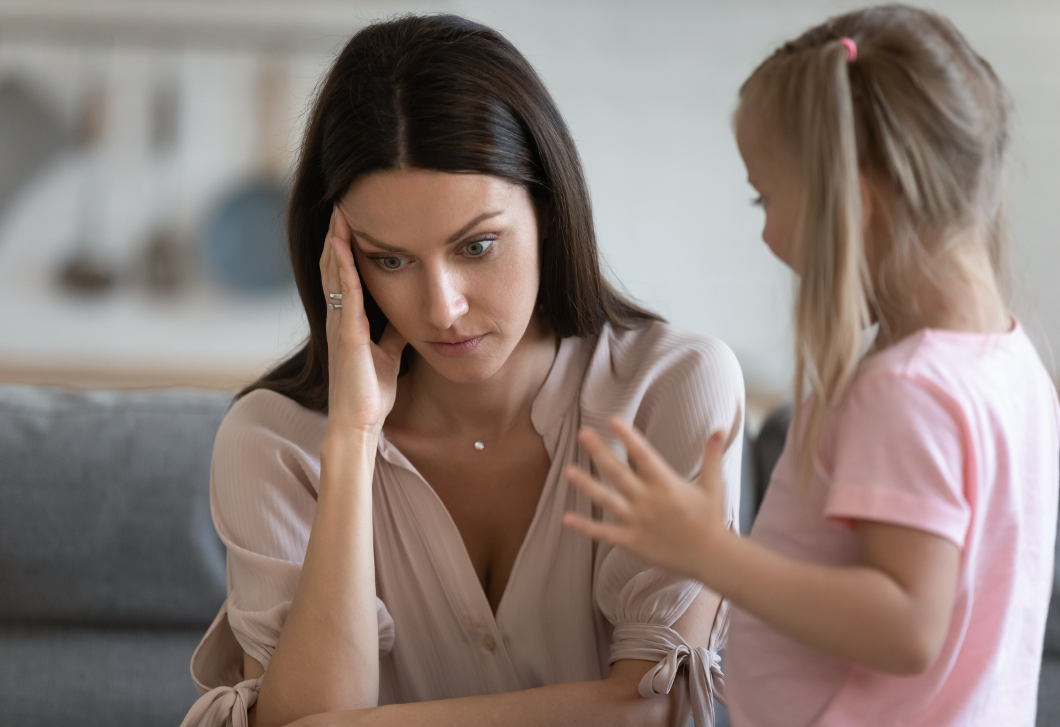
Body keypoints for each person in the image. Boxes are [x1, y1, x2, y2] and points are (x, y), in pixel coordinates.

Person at [180, 14, 745, 727]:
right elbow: (312, 708)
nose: (442, 308)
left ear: (548, 209)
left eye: (477, 245)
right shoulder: (274, 439)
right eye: (391, 259)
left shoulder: (674, 386)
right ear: (341, 261)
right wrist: (353, 439)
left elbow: (651, 712)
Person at [563, 5, 1059, 726]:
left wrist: (708, 553)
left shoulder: (908, 390)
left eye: (766, 196)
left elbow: (906, 625)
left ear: (852, 204)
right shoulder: (1013, 363)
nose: (765, 232)